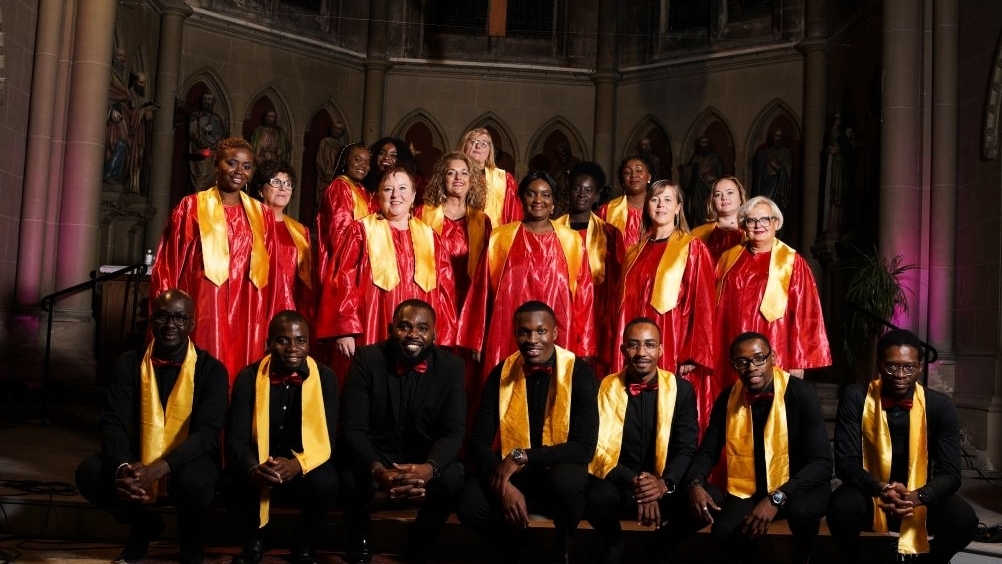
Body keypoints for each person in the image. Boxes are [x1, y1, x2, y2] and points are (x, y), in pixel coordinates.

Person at [75, 289, 228, 564]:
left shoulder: (211, 370)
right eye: (163, 316)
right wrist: (125, 467)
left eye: (180, 318)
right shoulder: (129, 363)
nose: (171, 325)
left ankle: (190, 538)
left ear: (192, 324)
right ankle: (144, 523)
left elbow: (206, 435)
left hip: (188, 460)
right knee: (90, 473)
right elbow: (113, 422)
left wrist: (158, 469)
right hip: (137, 456)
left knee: (194, 481)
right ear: (152, 320)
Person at [457, 301, 599, 564]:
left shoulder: (579, 371)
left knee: (567, 482)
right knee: (469, 504)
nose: (532, 339)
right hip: (518, 477)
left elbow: (584, 447)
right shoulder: (502, 372)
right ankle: (516, 549)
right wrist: (504, 486)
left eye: (541, 331)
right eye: (524, 332)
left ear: (555, 333)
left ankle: (561, 550)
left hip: (556, 473)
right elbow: (478, 441)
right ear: (515, 334)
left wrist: (522, 456)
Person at [827, 329, 978, 564]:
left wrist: (919, 496)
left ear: (919, 367)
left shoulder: (939, 405)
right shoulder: (855, 397)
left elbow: (950, 474)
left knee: (964, 520)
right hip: (870, 492)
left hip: (921, 495)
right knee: (840, 508)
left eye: (908, 367)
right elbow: (846, 463)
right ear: (879, 365)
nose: (900, 374)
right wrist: (881, 488)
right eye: (892, 366)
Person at [685, 332, 832, 564]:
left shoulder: (801, 394)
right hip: (752, 487)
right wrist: (695, 482)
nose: (751, 367)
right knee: (723, 531)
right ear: (734, 366)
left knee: (801, 512)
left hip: (801, 486)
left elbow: (822, 464)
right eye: (741, 362)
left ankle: (803, 556)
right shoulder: (728, 398)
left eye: (759, 359)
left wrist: (777, 498)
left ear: (772, 357)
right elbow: (707, 451)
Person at [339, 300, 467, 564]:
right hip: (378, 454)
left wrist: (426, 470)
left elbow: (453, 432)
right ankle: (358, 540)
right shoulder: (367, 359)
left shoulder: (452, 367)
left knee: (454, 475)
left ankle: (420, 544)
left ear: (435, 334)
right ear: (390, 328)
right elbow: (354, 429)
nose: (413, 334)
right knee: (349, 471)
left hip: (423, 458)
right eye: (404, 326)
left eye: (422, 328)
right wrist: (378, 470)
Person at [315, 166, 457, 383]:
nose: (395, 195)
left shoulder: (430, 236)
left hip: (418, 335)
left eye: (402, 188)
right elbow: (343, 279)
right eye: (388, 189)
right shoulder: (360, 231)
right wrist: (345, 330)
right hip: (373, 325)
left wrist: (444, 336)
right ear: (377, 195)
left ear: (413, 195)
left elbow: (446, 289)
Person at [151, 137, 276, 383]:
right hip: (204, 306)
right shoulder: (190, 207)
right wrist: (167, 315)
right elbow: (169, 263)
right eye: (232, 163)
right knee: (201, 371)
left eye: (247, 166)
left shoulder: (263, 215)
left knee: (243, 373)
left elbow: (270, 274)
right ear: (217, 163)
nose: (239, 171)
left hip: (247, 309)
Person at [459, 171, 596, 381]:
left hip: (558, 332)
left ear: (553, 202)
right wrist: (476, 338)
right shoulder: (501, 238)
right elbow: (481, 291)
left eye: (545, 195)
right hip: (507, 331)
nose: (538, 200)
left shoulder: (572, 241)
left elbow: (584, 297)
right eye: (531, 194)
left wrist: (585, 344)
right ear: (521, 198)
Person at [225, 311, 339, 564]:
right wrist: (254, 467)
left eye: (300, 340)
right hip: (260, 464)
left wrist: (297, 464)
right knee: (233, 476)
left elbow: (328, 438)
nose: (292, 348)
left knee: (327, 482)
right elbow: (236, 439)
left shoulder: (326, 377)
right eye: (282, 340)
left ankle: (304, 543)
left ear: (309, 344)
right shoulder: (248, 376)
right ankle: (253, 540)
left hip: (303, 466)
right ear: (268, 344)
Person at [585, 318, 699, 564]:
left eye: (649, 345)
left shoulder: (682, 390)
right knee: (593, 496)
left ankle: (660, 544)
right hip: (621, 485)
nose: (642, 353)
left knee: (709, 501)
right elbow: (595, 446)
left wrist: (662, 485)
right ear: (623, 350)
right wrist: (635, 481)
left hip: (666, 487)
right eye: (634, 345)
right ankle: (614, 541)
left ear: (660, 349)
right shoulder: (603, 387)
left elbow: (686, 447)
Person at [612, 181, 716, 430]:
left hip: (672, 341)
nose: (661, 205)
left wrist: (692, 352)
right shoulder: (634, 251)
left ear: (679, 207)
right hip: (634, 347)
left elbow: (703, 302)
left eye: (668, 200)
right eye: (655, 199)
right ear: (647, 206)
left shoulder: (692, 248)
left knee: (666, 413)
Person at [714, 195, 830, 396]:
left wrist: (798, 361)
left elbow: (806, 314)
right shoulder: (728, 259)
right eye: (751, 220)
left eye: (765, 219)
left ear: (776, 222)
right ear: (743, 225)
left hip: (775, 347)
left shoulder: (792, 262)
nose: (758, 225)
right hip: (731, 348)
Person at [554, 161, 625, 377]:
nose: (582, 194)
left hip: (598, 314)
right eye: (577, 188)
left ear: (596, 195)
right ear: (569, 191)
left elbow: (618, 281)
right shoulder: (554, 229)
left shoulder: (610, 234)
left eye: (588, 190)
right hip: (562, 307)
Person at [253, 160, 314, 320]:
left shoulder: (300, 231)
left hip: (290, 306)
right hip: (256, 303)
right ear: (260, 190)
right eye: (276, 182)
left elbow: (305, 280)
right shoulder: (248, 224)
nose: (283, 188)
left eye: (288, 184)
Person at [315, 142, 375, 282]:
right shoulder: (339, 187)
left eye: (367, 162)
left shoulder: (363, 190)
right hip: (345, 265)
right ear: (345, 161)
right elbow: (339, 232)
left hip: (362, 261)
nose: (363, 165)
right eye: (357, 159)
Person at [457, 128, 522, 226]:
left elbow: (513, 215)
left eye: (484, 143)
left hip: (493, 235)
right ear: (464, 146)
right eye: (473, 141)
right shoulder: (453, 175)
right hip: (459, 234)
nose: (478, 146)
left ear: (489, 151)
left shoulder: (503, 179)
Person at [597, 156, 650, 249]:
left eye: (639, 170)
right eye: (627, 172)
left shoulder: (661, 209)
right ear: (622, 181)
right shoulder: (606, 211)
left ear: (649, 177)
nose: (633, 175)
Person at [690, 176, 747, 262]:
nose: (724, 197)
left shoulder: (753, 232)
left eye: (730, 192)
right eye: (718, 194)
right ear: (713, 201)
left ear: (741, 198)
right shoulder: (697, 234)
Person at [679, 136, 723, 229]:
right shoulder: (696, 158)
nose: (704, 145)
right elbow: (690, 171)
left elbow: (720, 174)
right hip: (698, 189)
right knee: (697, 213)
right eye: (702, 143)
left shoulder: (715, 158)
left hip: (710, 187)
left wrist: (713, 180)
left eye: (706, 143)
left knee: (710, 210)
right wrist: (686, 171)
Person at [188, 92, 228, 191]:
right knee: (201, 176)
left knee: (213, 180)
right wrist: (203, 134)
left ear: (213, 102)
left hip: (214, 153)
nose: (207, 102)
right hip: (202, 151)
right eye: (205, 99)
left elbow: (221, 134)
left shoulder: (217, 118)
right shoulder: (196, 116)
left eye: (209, 99)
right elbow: (193, 131)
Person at [752, 129, 793, 213]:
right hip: (765, 186)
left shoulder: (786, 153)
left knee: (777, 210)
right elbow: (759, 171)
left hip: (778, 186)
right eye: (775, 136)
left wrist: (776, 165)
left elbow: (787, 171)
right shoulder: (764, 153)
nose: (777, 139)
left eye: (779, 137)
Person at [315, 120, 347, 189]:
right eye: (335, 128)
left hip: (337, 176)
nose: (336, 131)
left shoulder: (341, 147)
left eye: (339, 129)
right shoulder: (324, 142)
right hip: (325, 176)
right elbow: (319, 160)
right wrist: (325, 175)